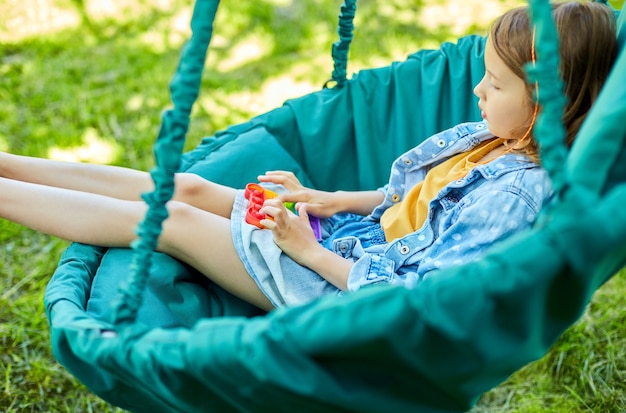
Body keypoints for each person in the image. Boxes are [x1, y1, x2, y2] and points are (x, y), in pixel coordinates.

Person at [0, 1, 617, 311]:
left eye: (496, 84)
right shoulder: (487, 135)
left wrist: (307, 248)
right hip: (343, 237)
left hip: (336, 291)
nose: (477, 89)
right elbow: (405, 199)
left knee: (171, 221)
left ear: (547, 104)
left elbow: (422, 296)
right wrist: (327, 201)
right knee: (185, 189)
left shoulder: (516, 196)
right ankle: (10, 164)